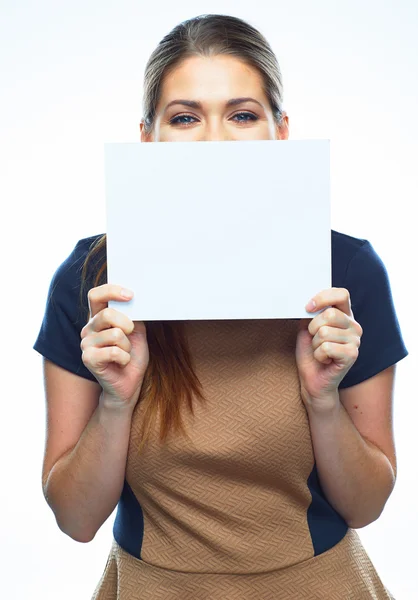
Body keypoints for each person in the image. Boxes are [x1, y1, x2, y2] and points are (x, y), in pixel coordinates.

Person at [33, 13, 408, 600]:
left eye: (242, 114)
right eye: (185, 118)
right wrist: (115, 401)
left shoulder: (348, 274)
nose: (214, 139)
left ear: (280, 133)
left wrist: (324, 400)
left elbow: (366, 507)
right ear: (147, 138)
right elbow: (75, 522)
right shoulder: (91, 283)